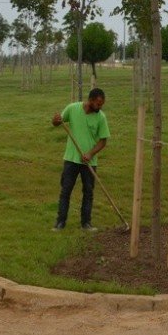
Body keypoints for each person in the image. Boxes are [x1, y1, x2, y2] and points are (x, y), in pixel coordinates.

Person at [51, 88, 109, 231]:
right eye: (98, 104)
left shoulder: (101, 117)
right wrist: (56, 120)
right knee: (66, 191)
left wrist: (90, 153)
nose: (100, 107)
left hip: (89, 162)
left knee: (88, 193)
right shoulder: (72, 108)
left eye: (101, 104)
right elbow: (57, 122)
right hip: (71, 159)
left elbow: (103, 141)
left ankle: (86, 223)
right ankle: (60, 222)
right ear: (90, 100)